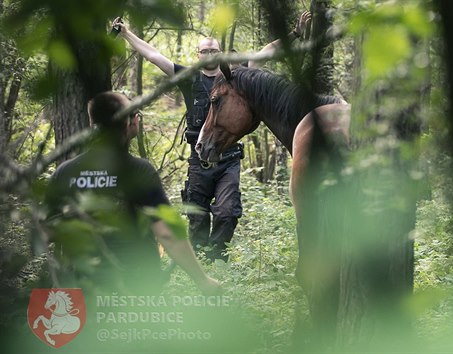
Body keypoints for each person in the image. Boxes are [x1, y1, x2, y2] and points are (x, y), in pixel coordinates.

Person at [112, 12, 311, 262]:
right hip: (199, 161)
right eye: (204, 51)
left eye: (214, 50)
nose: (209, 55)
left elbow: (266, 51)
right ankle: (201, 264)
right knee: (197, 217)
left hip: (228, 159)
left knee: (228, 213)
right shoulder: (188, 77)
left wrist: (294, 34)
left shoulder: (236, 76)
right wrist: (128, 34)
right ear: (198, 55)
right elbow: (153, 55)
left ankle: (217, 261)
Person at [44, 91, 220, 295]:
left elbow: (46, 231)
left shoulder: (65, 172)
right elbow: (167, 233)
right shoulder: (138, 172)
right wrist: (202, 281)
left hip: (82, 288)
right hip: (136, 284)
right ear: (130, 123)